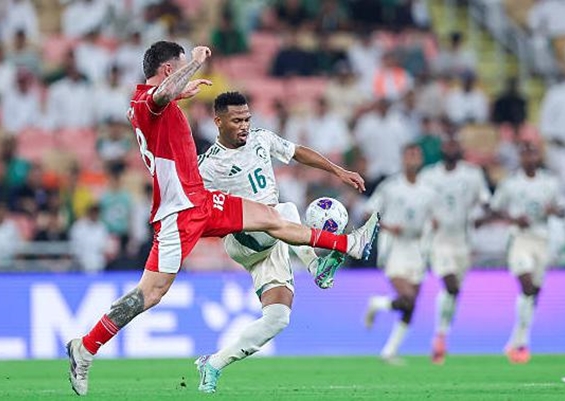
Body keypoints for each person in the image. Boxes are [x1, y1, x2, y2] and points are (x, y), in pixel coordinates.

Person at [65, 41, 380, 396]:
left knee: (276, 215)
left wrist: (180, 91)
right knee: (150, 293)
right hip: (179, 214)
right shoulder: (147, 101)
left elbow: (160, 102)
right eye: (180, 67)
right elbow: (159, 96)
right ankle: (85, 347)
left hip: (201, 201)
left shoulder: (151, 105)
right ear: (168, 70)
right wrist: (195, 63)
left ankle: (350, 244)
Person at [195, 91, 362, 392]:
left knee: (277, 318)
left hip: (276, 237)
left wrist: (338, 170)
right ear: (218, 121)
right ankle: (318, 266)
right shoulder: (208, 166)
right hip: (245, 239)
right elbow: (193, 207)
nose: (244, 126)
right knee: (284, 210)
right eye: (236, 121)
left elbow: (297, 152)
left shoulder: (261, 138)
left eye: (247, 119)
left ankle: (213, 364)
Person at [487, 141, 565, 363]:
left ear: (538, 157)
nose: (529, 158)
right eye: (525, 154)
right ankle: (522, 343)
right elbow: (494, 209)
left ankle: (517, 340)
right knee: (527, 285)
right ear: (520, 157)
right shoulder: (511, 183)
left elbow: (563, 210)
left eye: (532, 154)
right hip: (520, 239)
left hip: (542, 239)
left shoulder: (549, 182)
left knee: (533, 293)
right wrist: (513, 219)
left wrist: (554, 210)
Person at [418, 138, 491, 364]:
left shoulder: (472, 174)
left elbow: (485, 201)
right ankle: (440, 335)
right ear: (442, 149)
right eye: (447, 145)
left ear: (460, 149)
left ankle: (441, 335)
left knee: (454, 290)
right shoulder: (429, 176)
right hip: (438, 240)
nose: (451, 149)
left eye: (454, 145)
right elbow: (417, 202)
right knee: (450, 283)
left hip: (462, 241)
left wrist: (482, 215)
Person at [363, 144, 435, 364]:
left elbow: (433, 218)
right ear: (403, 159)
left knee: (410, 306)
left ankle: (389, 351)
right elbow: (368, 213)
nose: (413, 159)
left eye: (416, 155)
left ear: (421, 160)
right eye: (409, 155)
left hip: (417, 247)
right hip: (394, 246)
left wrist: (433, 227)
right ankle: (376, 304)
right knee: (407, 298)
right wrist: (388, 226)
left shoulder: (428, 190)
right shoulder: (390, 187)